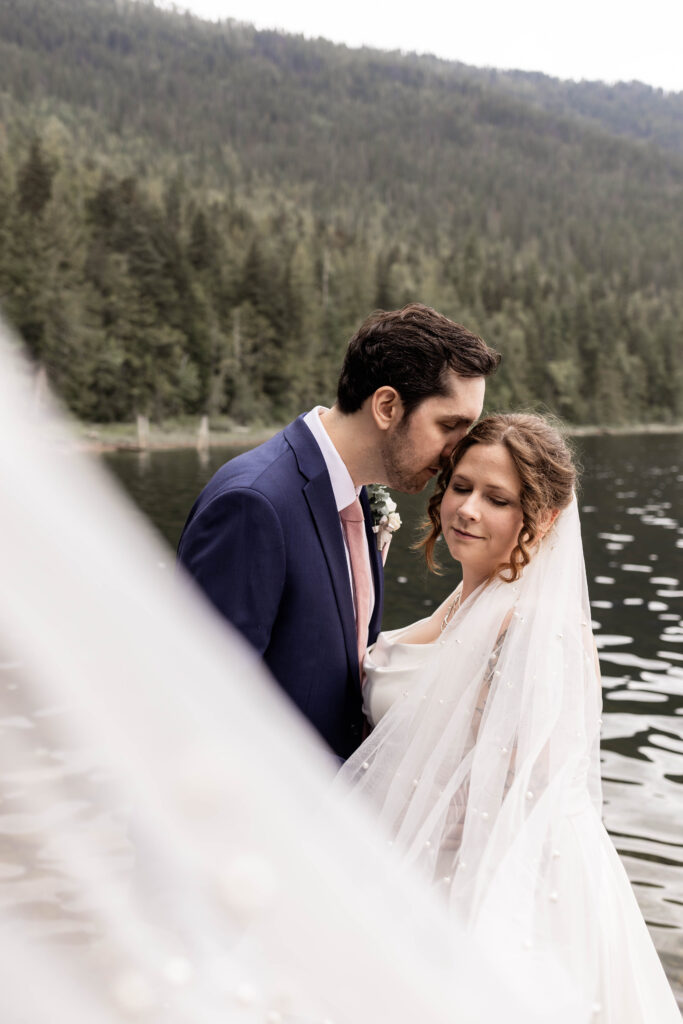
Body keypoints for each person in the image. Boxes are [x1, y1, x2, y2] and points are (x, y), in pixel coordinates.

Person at [337, 414, 680, 1022]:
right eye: (462, 487)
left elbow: (526, 804)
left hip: (479, 890)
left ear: (542, 519)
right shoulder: (472, 599)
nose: (467, 509)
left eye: (497, 499)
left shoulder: (532, 630)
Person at [177, 303, 500, 759]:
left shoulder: (357, 496)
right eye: (449, 426)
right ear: (387, 406)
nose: (456, 453)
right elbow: (196, 706)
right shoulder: (254, 504)